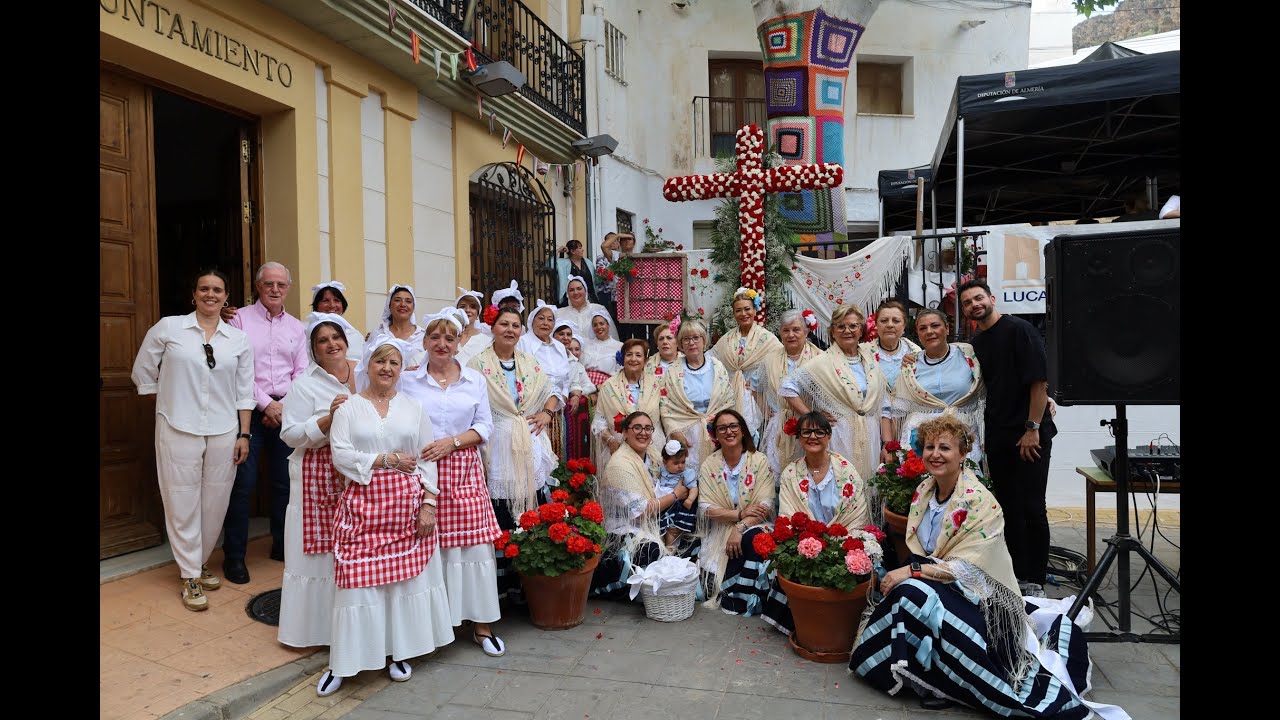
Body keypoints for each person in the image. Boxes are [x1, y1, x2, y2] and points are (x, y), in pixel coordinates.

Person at [850, 416, 1110, 718]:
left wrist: (911, 571)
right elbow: (925, 551)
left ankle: (959, 681)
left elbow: (969, 570)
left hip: (982, 600)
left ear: (963, 455)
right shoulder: (924, 490)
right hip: (941, 584)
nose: (935, 454)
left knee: (912, 593)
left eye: (945, 447)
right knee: (910, 594)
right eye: (930, 446)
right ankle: (932, 675)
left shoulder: (979, 501)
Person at [326, 338, 453, 688]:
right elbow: (340, 455)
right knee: (356, 585)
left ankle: (398, 653)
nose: (386, 368)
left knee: (400, 586)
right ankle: (344, 663)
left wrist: (429, 505)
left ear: (400, 370)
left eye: (394, 363)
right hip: (361, 510)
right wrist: (385, 460)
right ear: (367, 366)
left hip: (406, 509)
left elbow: (427, 458)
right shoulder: (349, 408)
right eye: (380, 361)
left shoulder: (413, 407)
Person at [131, 268, 255, 611]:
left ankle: (198, 562)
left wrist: (244, 433)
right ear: (193, 294)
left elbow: (245, 391)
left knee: (215, 502)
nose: (210, 294)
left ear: (226, 296)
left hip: (224, 429)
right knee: (181, 499)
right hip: (177, 426)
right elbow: (143, 369)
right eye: (204, 288)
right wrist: (166, 399)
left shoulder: (238, 340)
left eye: (217, 289)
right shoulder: (170, 328)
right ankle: (189, 574)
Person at [401, 308, 507, 659]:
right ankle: (438, 626)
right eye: (435, 337)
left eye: (449, 337)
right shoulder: (408, 380)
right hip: (422, 474)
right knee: (432, 548)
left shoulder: (474, 380)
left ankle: (481, 625)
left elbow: (486, 425)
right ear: (425, 341)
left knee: (474, 548)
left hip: (463, 470)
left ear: (460, 342)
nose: (442, 344)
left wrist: (454, 442)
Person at [958, 280, 1055, 598]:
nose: (974, 304)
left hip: (1030, 435)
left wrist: (1032, 427)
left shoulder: (1020, 330)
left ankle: (1036, 581)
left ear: (991, 298)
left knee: (1031, 508)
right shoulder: (979, 342)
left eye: (978, 297)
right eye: (967, 302)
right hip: (999, 437)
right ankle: (1017, 574)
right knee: (1007, 508)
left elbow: (1038, 382)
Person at [277, 313, 357, 693]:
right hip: (317, 478)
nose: (330, 344)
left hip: (359, 475)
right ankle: (315, 630)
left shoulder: (364, 373)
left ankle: (349, 625)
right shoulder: (304, 385)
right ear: (313, 348)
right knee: (318, 552)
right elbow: (290, 434)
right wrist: (327, 421)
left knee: (353, 550)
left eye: (335, 336)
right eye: (322, 340)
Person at [467, 306, 561, 599]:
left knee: (530, 504)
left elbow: (553, 391)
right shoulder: (476, 364)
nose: (510, 329)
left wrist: (547, 412)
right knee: (501, 508)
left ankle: (528, 580)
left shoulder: (529, 362)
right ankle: (501, 586)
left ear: (522, 331)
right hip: (496, 445)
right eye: (504, 324)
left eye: (515, 325)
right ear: (493, 328)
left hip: (529, 440)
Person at [224, 261, 309, 583]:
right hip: (249, 410)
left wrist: (284, 406)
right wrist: (267, 405)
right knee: (242, 485)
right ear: (258, 287)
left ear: (288, 288)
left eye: (281, 285)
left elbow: (301, 371)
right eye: (269, 284)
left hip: (286, 412)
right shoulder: (239, 319)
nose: (275, 290)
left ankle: (281, 545)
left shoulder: (297, 328)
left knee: (285, 483)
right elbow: (237, 369)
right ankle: (234, 557)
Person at [761, 411, 870, 635]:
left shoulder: (846, 470)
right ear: (799, 438)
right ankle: (804, 623)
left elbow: (856, 512)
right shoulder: (791, 473)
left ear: (828, 436)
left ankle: (840, 624)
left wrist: (837, 543)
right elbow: (789, 514)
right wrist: (811, 542)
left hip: (843, 540)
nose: (813, 437)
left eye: (819, 432)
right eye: (807, 432)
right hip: (805, 544)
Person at [780, 304, 888, 485]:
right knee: (840, 483)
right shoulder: (822, 362)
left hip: (869, 433)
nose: (847, 330)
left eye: (853, 326)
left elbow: (883, 402)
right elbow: (787, 387)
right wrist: (811, 416)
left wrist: (887, 443)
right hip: (839, 433)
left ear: (861, 330)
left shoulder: (870, 359)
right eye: (841, 326)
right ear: (833, 332)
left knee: (868, 486)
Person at [590, 411, 688, 599]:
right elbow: (642, 511)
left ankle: (672, 587)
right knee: (649, 549)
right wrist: (676, 494)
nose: (643, 433)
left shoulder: (653, 456)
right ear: (625, 433)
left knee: (687, 535)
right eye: (637, 427)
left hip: (652, 522)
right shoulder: (619, 465)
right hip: (622, 532)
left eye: (648, 428)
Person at [695, 409, 775, 614]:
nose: (728, 431)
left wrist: (739, 528)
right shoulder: (709, 464)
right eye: (722, 428)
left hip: (754, 524)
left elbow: (764, 505)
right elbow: (705, 508)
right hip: (720, 528)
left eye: (733, 426)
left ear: (742, 430)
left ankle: (743, 598)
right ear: (716, 434)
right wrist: (738, 515)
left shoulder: (758, 460)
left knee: (752, 540)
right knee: (708, 584)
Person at [893, 309, 986, 464]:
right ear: (918, 333)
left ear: (947, 329)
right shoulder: (911, 364)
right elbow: (898, 409)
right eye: (923, 328)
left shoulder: (968, 355)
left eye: (935, 326)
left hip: (962, 438)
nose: (929, 332)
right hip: (921, 443)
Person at [659, 318, 737, 474]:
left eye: (696, 338)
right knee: (689, 479)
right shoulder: (673, 371)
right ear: (680, 344)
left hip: (716, 430)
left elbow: (728, 400)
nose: (691, 343)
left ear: (704, 340)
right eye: (686, 339)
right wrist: (675, 433)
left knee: (717, 475)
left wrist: (719, 424)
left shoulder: (717, 366)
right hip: (686, 434)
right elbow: (666, 406)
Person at [710, 289, 783, 444]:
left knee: (751, 438)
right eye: (738, 310)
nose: (743, 314)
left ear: (754, 310)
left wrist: (760, 383)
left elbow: (779, 365)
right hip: (730, 394)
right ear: (734, 313)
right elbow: (711, 360)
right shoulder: (727, 338)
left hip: (756, 396)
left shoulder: (767, 339)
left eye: (747, 309)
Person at [760, 309, 823, 478]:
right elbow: (756, 388)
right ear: (780, 332)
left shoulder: (820, 358)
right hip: (780, 424)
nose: (791, 335)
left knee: (810, 474)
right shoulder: (769, 360)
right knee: (780, 475)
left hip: (812, 426)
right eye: (786, 330)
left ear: (806, 331)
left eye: (796, 329)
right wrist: (766, 411)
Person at [591, 338, 663, 474]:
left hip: (652, 446)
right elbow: (598, 423)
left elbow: (664, 415)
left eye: (638, 355)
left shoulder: (655, 385)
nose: (633, 359)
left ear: (646, 361)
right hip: (618, 448)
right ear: (622, 358)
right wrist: (611, 441)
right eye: (629, 354)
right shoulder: (609, 386)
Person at [865, 300, 921, 465]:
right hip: (873, 425)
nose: (890, 325)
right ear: (876, 325)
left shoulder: (916, 354)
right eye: (884, 321)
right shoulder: (864, 353)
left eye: (896, 321)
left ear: (904, 326)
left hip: (906, 421)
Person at [517, 300, 572, 459]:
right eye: (541, 318)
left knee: (558, 454)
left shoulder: (559, 347)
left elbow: (566, 380)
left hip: (557, 411)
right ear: (532, 320)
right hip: (533, 413)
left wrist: (561, 399)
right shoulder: (523, 343)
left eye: (550, 319)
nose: (545, 323)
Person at [551, 320, 595, 461]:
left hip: (565, 413)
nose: (565, 338)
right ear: (553, 335)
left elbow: (575, 382)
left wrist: (576, 394)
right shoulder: (547, 355)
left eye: (569, 334)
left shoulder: (573, 362)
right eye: (561, 334)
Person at [372, 285, 426, 368]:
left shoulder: (423, 336)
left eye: (408, 301)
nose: (403, 304)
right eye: (397, 300)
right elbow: (367, 363)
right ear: (389, 305)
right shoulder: (378, 333)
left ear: (413, 307)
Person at [658, 440, 699, 549]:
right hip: (665, 504)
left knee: (673, 528)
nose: (680, 466)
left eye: (683, 462)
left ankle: (670, 548)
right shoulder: (662, 470)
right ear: (665, 462)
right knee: (663, 526)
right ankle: (665, 546)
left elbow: (694, 488)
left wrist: (690, 499)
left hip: (680, 506)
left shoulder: (686, 473)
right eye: (676, 463)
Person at [310, 281, 364, 361]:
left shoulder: (355, 334)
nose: (332, 305)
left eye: (336, 300)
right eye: (326, 301)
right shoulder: (307, 332)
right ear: (316, 305)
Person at [557, 276, 615, 346]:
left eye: (579, 289)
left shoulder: (599, 309)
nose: (575, 292)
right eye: (571, 290)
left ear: (585, 291)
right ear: (567, 294)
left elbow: (611, 336)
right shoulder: (560, 313)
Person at [579, 310, 623, 386]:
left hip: (608, 385)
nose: (598, 327)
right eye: (595, 325)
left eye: (601, 324)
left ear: (608, 325)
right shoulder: (584, 343)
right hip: (584, 385)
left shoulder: (619, 346)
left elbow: (620, 371)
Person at [453, 288, 494, 366]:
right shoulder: (449, 337)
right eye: (462, 307)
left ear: (478, 313)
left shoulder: (487, 341)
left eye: (472, 307)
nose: (467, 310)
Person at [558, 239, 599, 305]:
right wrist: (559, 251)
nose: (582, 250)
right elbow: (550, 264)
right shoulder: (564, 263)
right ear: (572, 251)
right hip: (571, 299)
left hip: (590, 299)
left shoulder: (588, 262)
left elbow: (595, 279)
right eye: (580, 248)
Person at [594, 232, 622, 321]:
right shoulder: (601, 257)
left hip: (620, 294)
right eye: (610, 240)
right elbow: (603, 275)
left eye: (615, 240)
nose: (613, 242)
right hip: (606, 293)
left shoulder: (622, 256)